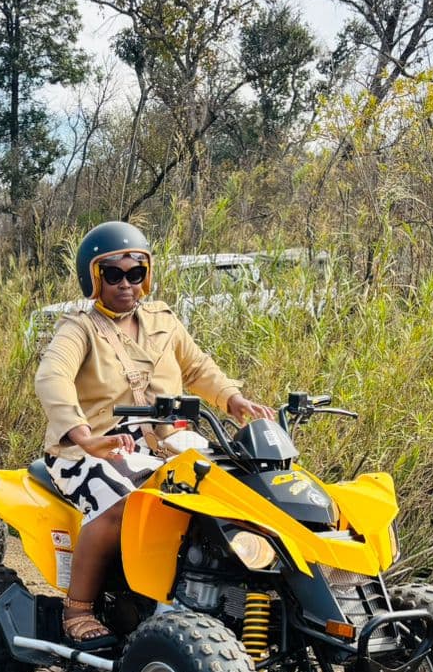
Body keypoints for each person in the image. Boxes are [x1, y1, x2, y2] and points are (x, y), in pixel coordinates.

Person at [34, 222, 275, 646]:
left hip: (164, 441)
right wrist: (85, 435)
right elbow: (52, 378)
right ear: (93, 279)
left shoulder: (163, 320)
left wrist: (235, 402)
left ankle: (231, 597)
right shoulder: (79, 329)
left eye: (135, 272)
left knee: (243, 488)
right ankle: (79, 608)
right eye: (113, 274)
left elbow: (199, 368)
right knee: (127, 506)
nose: (126, 284)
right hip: (95, 446)